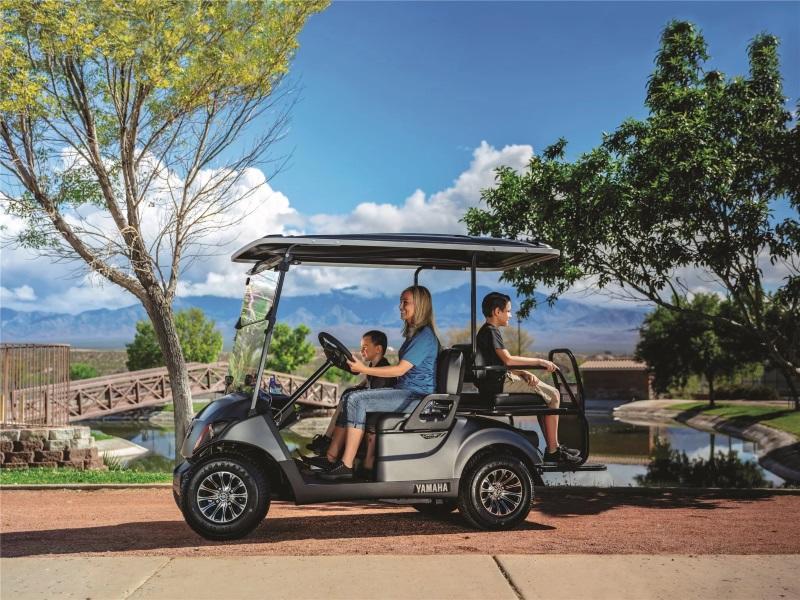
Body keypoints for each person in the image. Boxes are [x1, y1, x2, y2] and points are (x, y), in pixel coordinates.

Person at [313, 285, 439, 481]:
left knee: (356, 400)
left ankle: (346, 465)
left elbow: (400, 370)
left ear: (420, 305)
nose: (400, 307)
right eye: (400, 302)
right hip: (406, 392)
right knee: (350, 396)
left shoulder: (424, 337)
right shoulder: (415, 335)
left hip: (417, 397)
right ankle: (331, 457)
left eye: (405, 302)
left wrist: (363, 368)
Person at [476, 292, 580, 465]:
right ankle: (553, 451)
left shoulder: (486, 331)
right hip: (499, 382)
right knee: (554, 395)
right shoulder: (491, 331)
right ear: (497, 312)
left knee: (546, 396)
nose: (510, 315)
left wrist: (522, 372)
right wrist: (540, 362)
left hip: (498, 379)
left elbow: (499, 362)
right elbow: (508, 360)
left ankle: (554, 446)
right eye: (508, 311)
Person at [305, 330, 396, 456]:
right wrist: (360, 385)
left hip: (379, 406)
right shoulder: (373, 366)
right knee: (348, 392)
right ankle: (328, 440)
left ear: (378, 349)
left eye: (365, 347)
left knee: (349, 395)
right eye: (361, 347)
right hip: (370, 401)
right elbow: (369, 379)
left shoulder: (383, 368)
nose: (361, 351)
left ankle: (328, 442)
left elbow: (376, 393)